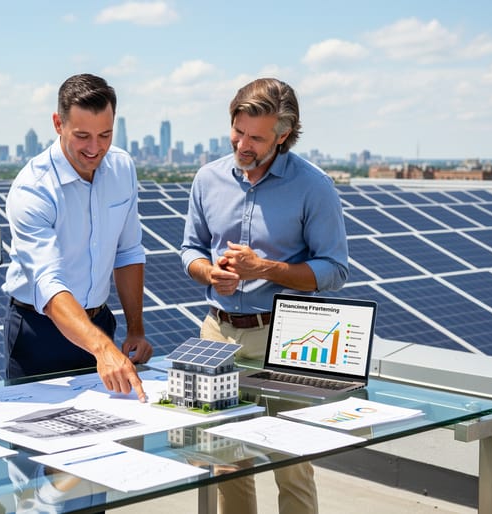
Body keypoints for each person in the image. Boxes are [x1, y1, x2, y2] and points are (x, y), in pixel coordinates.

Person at [181, 78, 349, 514]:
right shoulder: (208, 179)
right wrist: (209, 273)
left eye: (256, 137)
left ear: (284, 136)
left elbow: (335, 270)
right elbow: (190, 250)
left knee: (292, 460)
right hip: (216, 335)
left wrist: (265, 270)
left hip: (288, 335)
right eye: (238, 132)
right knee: (224, 460)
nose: (243, 144)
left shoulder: (314, 186)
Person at [2, 73, 153, 402]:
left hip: (101, 323)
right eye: (82, 136)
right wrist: (103, 350)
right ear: (58, 123)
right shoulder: (33, 188)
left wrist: (135, 329)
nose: (95, 148)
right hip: (39, 334)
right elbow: (48, 283)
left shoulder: (122, 168)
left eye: (105, 135)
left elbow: (127, 252)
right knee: (39, 440)